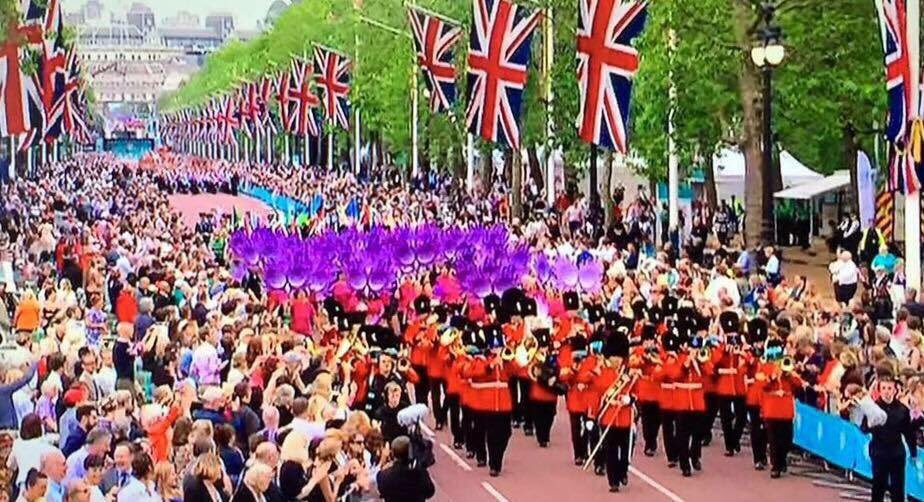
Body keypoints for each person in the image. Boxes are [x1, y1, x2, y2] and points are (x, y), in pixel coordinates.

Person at [863, 372, 918, 502]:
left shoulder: (902, 410)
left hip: (897, 454)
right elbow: (864, 428)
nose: (887, 392)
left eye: (889, 388)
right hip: (879, 453)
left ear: (895, 390)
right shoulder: (873, 408)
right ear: (879, 390)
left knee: (898, 489)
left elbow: (908, 432)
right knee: (878, 487)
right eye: (884, 388)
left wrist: (913, 451)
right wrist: (869, 424)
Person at [375, 436, 435, 502]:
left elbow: (381, 491)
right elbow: (430, 492)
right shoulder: (420, 473)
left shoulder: (384, 476)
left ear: (393, 453)